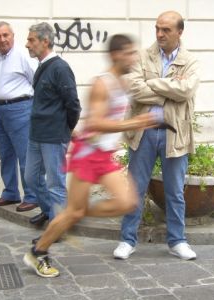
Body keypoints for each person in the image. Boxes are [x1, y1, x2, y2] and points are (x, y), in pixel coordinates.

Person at [23, 34, 157, 278]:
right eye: (129, 53)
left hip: (104, 156)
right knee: (73, 211)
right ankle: (38, 251)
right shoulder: (102, 84)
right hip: (88, 155)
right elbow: (95, 122)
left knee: (127, 202)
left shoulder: (123, 83)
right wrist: (133, 123)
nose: (134, 57)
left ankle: (79, 213)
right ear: (116, 55)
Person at [114, 11, 200, 260]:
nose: (160, 34)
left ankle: (177, 241)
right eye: (157, 29)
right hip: (144, 131)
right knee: (135, 187)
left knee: (174, 190)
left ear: (179, 32)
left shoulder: (190, 61)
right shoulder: (143, 55)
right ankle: (127, 240)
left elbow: (186, 90)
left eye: (166, 30)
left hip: (175, 134)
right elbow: (134, 88)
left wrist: (152, 84)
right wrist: (169, 88)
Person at [24, 22, 81, 228]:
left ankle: (59, 227)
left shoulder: (60, 68)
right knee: (31, 178)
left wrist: (67, 129)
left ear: (45, 41)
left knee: (55, 182)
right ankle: (50, 212)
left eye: (31, 40)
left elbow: (73, 104)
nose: (27, 44)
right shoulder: (42, 66)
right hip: (36, 134)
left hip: (54, 136)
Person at [0, 21, 39, 212]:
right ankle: (10, 193)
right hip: (0, 110)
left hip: (20, 109)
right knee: (5, 154)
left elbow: (37, 82)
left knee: (25, 153)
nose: (2, 40)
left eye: (5, 35)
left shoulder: (21, 56)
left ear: (12, 36)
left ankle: (32, 195)